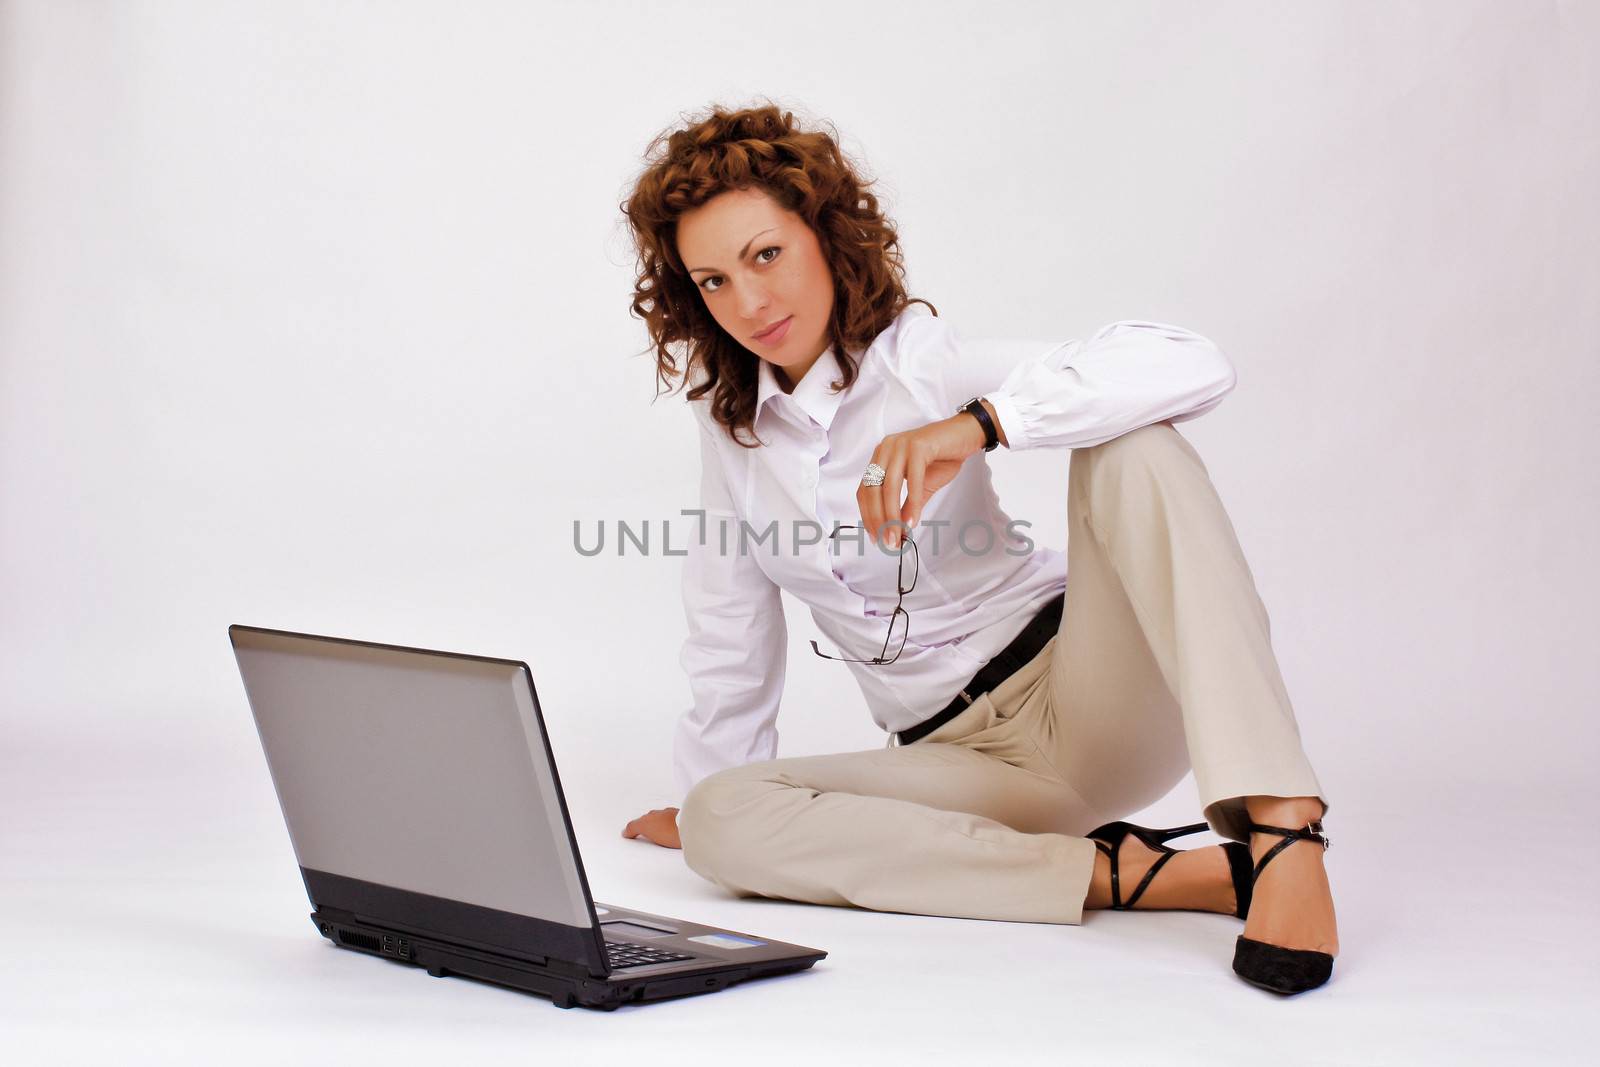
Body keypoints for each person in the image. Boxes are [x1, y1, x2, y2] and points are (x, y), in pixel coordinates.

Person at [616, 101, 1338, 995]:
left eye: (767, 254)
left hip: (1091, 696)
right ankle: (1142, 875)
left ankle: (1283, 828)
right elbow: (728, 619)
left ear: (825, 235)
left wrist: (982, 425)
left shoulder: (923, 364)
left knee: (1132, 439)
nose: (751, 302)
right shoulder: (732, 430)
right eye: (714, 280)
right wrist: (706, 795)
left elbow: (1192, 364)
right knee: (722, 821)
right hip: (958, 763)